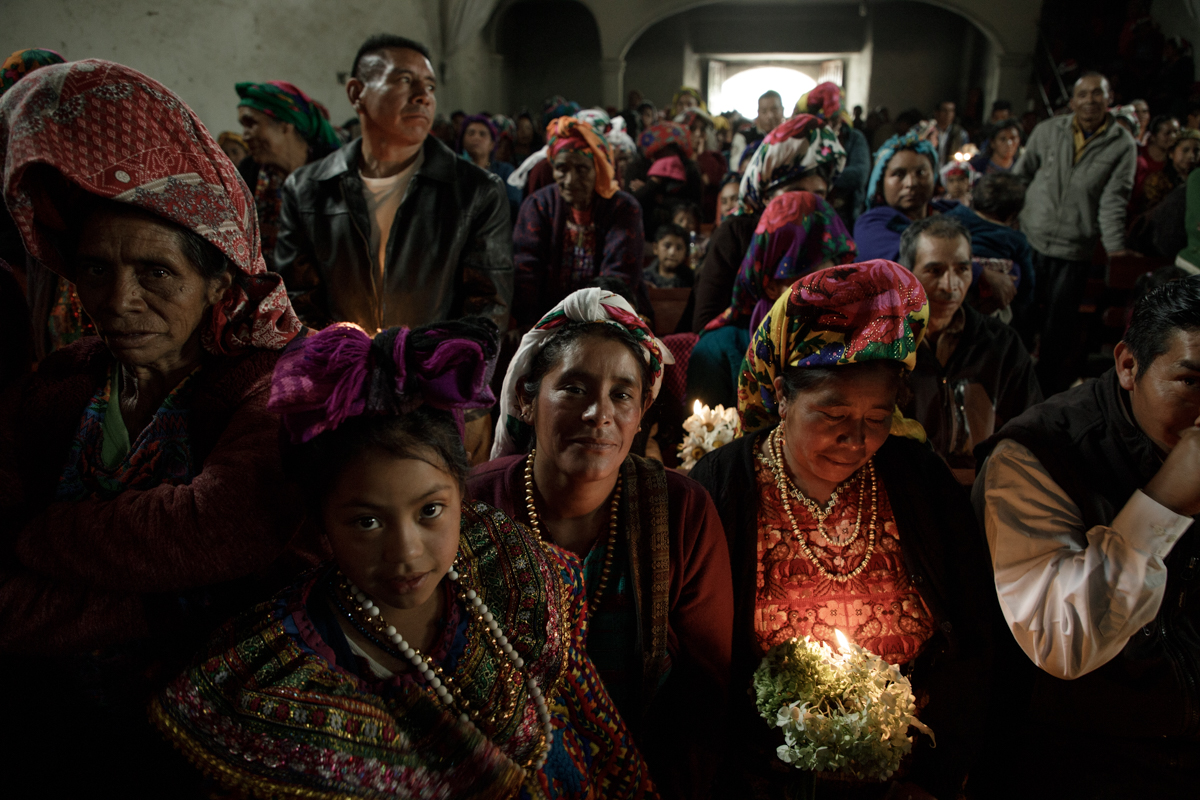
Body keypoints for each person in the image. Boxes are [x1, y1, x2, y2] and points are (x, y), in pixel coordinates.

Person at [153, 318, 658, 799]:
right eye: (366, 522)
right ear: (321, 520)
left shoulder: (509, 571)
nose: (406, 552)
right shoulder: (274, 687)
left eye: (430, 511)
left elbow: (599, 742)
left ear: (462, 494)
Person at [0, 59, 321, 794]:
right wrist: (166, 599)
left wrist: (31, 537)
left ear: (219, 280)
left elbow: (220, 528)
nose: (119, 301)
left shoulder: (267, 385)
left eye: (156, 273)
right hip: (56, 730)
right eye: (96, 270)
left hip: (210, 746)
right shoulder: (59, 387)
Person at [689, 261, 996, 800]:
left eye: (877, 419)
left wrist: (927, 758)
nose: (856, 441)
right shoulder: (721, 488)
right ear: (783, 395)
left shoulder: (918, 479)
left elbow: (978, 632)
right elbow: (699, 670)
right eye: (833, 415)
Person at [473, 288, 731, 800]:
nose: (599, 413)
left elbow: (705, 695)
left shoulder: (681, 512)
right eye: (573, 388)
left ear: (643, 411)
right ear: (526, 399)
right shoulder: (473, 506)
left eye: (622, 394)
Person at [971, 275, 1200, 799]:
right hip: (1082, 750)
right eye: (1190, 381)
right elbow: (1061, 644)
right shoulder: (1039, 455)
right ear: (1128, 366)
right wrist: (1161, 507)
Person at [274, 34, 513, 334]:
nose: (423, 96)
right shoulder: (307, 189)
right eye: (404, 80)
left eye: (430, 86)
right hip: (336, 361)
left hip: (433, 363)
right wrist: (341, 355)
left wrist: (426, 358)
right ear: (356, 93)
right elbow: (297, 301)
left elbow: (486, 308)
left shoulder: (475, 191)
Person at [1015, 71, 1138, 395]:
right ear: (1072, 101)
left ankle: (1043, 394)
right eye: (1083, 94)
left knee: (1058, 329)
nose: (1090, 100)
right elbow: (1021, 176)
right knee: (1022, 317)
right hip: (1032, 238)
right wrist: (1008, 222)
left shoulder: (1121, 144)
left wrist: (1115, 248)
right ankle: (1012, 383)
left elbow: (1114, 200)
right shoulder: (1048, 130)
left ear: (1109, 99)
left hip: (1074, 249)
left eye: (1097, 93)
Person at [896, 216, 1041, 481]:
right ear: (908, 276)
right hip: (906, 485)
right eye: (935, 271)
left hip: (984, 485)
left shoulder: (1001, 344)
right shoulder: (887, 345)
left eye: (962, 269)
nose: (950, 286)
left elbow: (1030, 428)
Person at [690, 191, 855, 408]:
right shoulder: (717, 351)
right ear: (770, 286)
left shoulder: (852, 346)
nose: (824, 296)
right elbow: (703, 428)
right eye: (808, 284)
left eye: (832, 280)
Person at [692, 115, 846, 332]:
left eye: (818, 194)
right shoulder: (736, 232)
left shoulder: (828, 233)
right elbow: (705, 322)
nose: (807, 204)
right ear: (766, 196)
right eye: (794, 193)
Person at [512, 116, 645, 328]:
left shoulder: (623, 208)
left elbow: (617, 280)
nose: (570, 180)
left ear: (598, 169)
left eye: (582, 169)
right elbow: (526, 273)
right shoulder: (538, 205)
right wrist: (537, 329)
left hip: (606, 323)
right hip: (545, 321)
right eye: (562, 168)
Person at [235, 80, 342, 268]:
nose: (244, 136)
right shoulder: (249, 171)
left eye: (251, 123)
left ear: (285, 125)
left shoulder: (333, 171)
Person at [945, 173, 1036, 319]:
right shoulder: (1016, 239)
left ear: (974, 198)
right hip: (993, 307)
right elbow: (1027, 284)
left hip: (953, 292)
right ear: (1013, 214)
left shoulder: (955, 217)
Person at [853, 130, 948, 262]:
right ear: (880, 182)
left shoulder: (954, 212)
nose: (911, 183)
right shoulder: (870, 227)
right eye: (898, 174)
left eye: (921, 172)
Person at [798, 81, 871, 228]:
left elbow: (859, 174)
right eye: (824, 121)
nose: (830, 126)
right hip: (810, 213)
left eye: (834, 120)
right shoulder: (805, 139)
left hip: (845, 215)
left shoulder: (854, 138)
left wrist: (819, 176)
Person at [633, 121, 704, 238]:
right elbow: (635, 203)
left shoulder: (689, 170)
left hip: (680, 235)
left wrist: (661, 200)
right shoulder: (640, 167)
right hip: (647, 234)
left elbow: (694, 206)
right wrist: (654, 182)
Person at [457, 112, 521, 212]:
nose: (476, 137)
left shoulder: (505, 171)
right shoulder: (455, 169)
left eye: (482, 134)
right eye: (471, 133)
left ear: (492, 144)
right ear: (462, 140)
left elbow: (513, 204)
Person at [679, 108, 728, 222]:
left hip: (709, 220)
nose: (698, 134)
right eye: (692, 128)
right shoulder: (677, 159)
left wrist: (702, 155)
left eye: (702, 129)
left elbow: (714, 179)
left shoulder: (717, 158)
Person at [1139, 127, 1200, 215]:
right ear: (1171, 153)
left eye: (1196, 151)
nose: (1191, 155)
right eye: (1185, 150)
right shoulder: (1157, 181)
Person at [729, 90, 785, 169]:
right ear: (758, 113)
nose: (770, 116)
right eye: (764, 112)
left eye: (774, 110)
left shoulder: (794, 136)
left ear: (782, 110)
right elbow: (736, 168)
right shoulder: (743, 136)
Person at [1134, 114, 1181, 203]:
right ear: (1153, 136)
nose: (1173, 137)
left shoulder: (1176, 161)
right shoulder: (1137, 154)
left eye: (1176, 132)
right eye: (1167, 133)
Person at [644, 223, 693, 289]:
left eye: (679, 248)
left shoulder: (691, 280)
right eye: (667, 246)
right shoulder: (643, 278)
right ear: (655, 248)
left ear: (685, 252)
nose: (672, 253)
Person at [933, 100, 969, 167]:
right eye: (944, 111)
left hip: (950, 168)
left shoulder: (960, 133)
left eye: (951, 111)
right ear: (937, 113)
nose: (948, 114)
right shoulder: (929, 131)